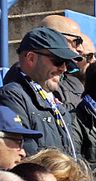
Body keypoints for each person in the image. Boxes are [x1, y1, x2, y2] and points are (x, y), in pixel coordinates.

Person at [0, 28, 78, 156]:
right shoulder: (12, 96)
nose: (64, 68)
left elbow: (74, 153)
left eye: (66, 62)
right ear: (31, 58)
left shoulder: (56, 104)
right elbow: (28, 157)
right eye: (58, 61)